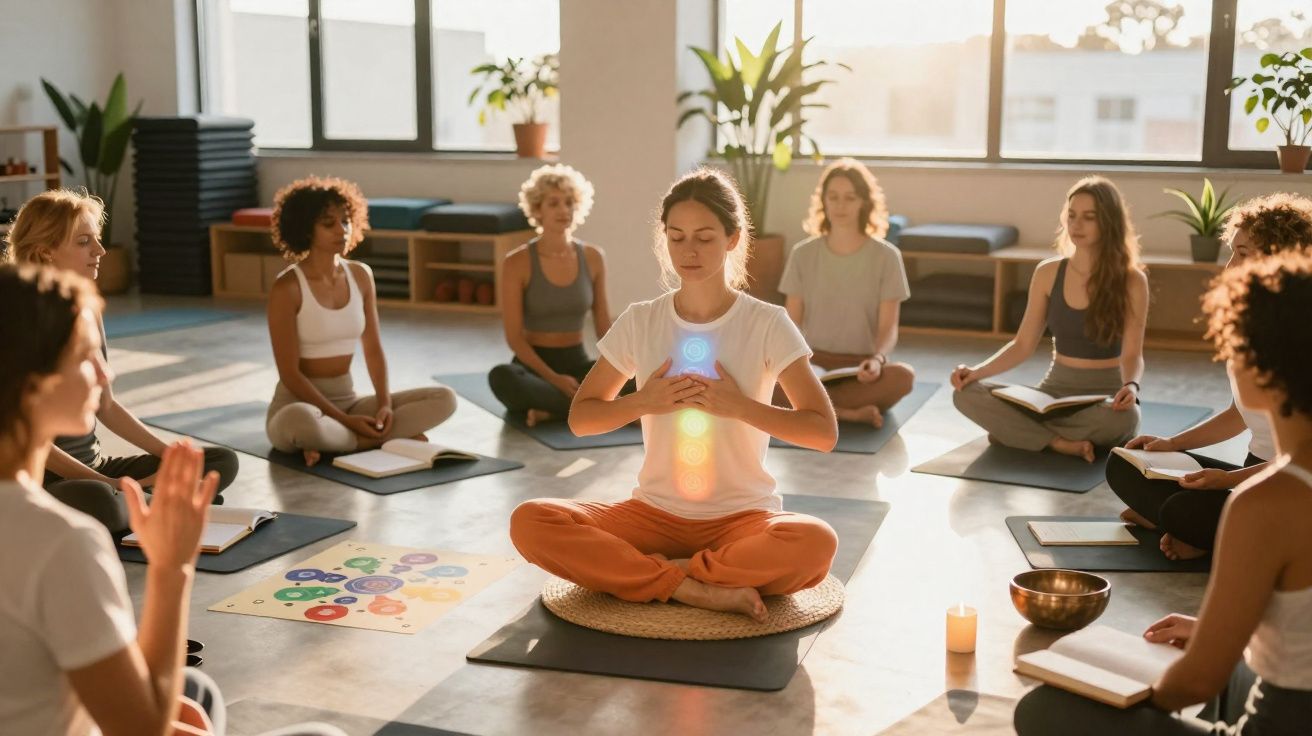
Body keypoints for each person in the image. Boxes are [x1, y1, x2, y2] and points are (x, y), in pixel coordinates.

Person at [0, 263, 344, 736]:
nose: (105, 371)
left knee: (194, 690)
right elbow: (142, 730)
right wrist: (170, 569)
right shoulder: (61, 542)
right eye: (85, 356)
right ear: (33, 382)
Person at [509, 168, 840, 622]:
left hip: (742, 519)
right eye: (677, 236)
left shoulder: (766, 323)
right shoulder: (641, 320)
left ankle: (660, 576)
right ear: (663, 239)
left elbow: (823, 432)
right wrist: (645, 400)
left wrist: (738, 407)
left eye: (705, 237)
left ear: (732, 238)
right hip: (653, 515)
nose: (689, 250)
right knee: (532, 520)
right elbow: (581, 419)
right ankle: (698, 588)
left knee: (815, 543)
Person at [1015, 251, 1312, 736]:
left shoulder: (1266, 503)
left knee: (1045, 710)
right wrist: (1214, 635)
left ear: (1260, 366)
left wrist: (1133, 696)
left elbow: (1194, 682)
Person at [4, 189, 238, 532]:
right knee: (100, 501)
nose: (99, 251)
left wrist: (171, 456)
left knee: (219, 462)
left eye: (96, 240)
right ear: (46, 252)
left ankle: (151, 499)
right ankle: (154, 500)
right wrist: (110, 484)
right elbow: (33, 440)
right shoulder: (18, 319)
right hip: (49, 480)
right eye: (85, 241)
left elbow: (107, 406)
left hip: (98, 468)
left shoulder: (87, 310)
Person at [1108, 193, 1312, 560]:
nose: (1231, 266)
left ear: (1281, 257)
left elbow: (1305, 459)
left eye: (1245, 253)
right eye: (1233, 252)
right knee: (1124, 463)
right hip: (1252, 473)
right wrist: (1172, 444)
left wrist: (1229, 481)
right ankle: (1205, 534)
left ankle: (1199, 535)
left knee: (1179, 511)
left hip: (1293, 488)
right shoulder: (1248, 322)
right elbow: (1239, 414)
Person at [950, 176, 1148, 461]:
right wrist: (976, 372)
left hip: (1102, 399)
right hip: (1051, 392)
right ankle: (1060, 442)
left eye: (1088, 217)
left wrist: (1131, 385)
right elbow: (1022, 345)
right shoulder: (1048, 272)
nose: (1076, 225)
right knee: (964, 394)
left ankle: (1022, 434)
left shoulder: (1132, 280)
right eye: (1071, 215)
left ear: (1109, 222)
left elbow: (1132, 354)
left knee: (1126, 419)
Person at [264, 176, 457, 466]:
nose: (341, 230)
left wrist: (384, 405)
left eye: (345, 221)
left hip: (350, 402)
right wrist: (347, 421)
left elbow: (374, 350)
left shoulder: (361, 275)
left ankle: (342, 443)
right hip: (301, 405)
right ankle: (370, 440)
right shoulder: (287, 288)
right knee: (300, 422)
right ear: (305, 229)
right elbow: (290, 374)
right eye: (328, 224)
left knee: (445, 398)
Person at [488, 164, 630, 425]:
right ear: (537, 210)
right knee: (501, 377)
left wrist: (627, 368)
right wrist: (555, 380)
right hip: (533, 368)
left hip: (577, 362)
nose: (564, 210)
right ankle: (604, 408)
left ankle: (553, 410)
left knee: (637, 379)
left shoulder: (593, 257)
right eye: (554, 203)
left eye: (569, 202)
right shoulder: (516, 262)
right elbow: (515, 338)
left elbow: (603, 327)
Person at [778, 158, 914, 428]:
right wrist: (793, 365)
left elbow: (889, 327)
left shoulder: (887, 257)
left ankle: (817, 410)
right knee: (759, 378)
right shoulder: (802, 254)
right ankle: (849, 413)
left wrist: (877, 360)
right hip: (811, 363)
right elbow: (790, 324)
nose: (840, 206)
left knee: (903, 377)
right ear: (823, 201)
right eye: (834, 197)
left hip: (861, 370)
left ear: (864, 202)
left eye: (850, 198)